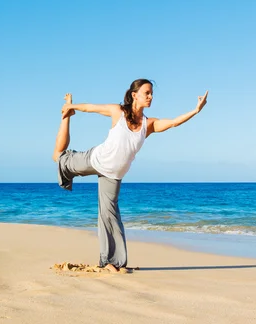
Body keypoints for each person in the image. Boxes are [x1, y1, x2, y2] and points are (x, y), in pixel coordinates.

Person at [52, 78, 208, 272]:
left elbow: (174, 122)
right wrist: (71, 106)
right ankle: (66, 116)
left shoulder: (148, 124)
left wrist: (195, 110)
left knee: (110, 217)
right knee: (58, 157)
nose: (150, 97)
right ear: (135, 95)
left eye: (152, 93)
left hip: (113, 175)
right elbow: (91, 107)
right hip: (94, 160)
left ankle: (111, 262)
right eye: (147, 93)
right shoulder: (117, 112)